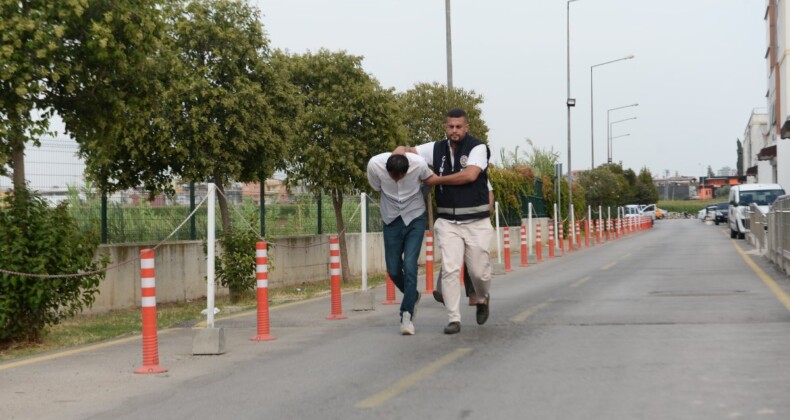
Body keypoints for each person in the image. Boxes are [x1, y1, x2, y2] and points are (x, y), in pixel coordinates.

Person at [395, 108, 494, 335]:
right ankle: (454, 318)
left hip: (476, 221)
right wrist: (400, 151)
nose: (454, 131)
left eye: (459, 127)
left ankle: (482, 297)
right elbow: (410, 152)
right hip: (448, 221)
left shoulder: (478, 148)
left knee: (479, 272)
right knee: (450, 269)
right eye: (450, 126)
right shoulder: (436, 148)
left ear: (466, 127)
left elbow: (469, 175)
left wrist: (436, 180)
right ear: (445, 127)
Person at [367, 152, 434, 335]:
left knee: (410, 265)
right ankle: (413, 295)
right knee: (393, 269)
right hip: (391, 220)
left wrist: (420, 195)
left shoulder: (418, 164)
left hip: (415, 217)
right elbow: (376, 187)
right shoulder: (374, 165)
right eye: (392, 176)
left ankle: (406, 316)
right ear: (386, 170)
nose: (396, 180)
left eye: (400, 177)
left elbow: (429, 180)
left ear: (407, 171)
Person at [433, 180, 494, 306]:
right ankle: (443, 291)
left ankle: (476, 295)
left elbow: (489, 193)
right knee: (450, 260)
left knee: (472, 263)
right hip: (454, 224)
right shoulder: (450, 173)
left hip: (474, 225)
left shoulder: (476, 171)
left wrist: (485, 213)